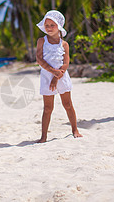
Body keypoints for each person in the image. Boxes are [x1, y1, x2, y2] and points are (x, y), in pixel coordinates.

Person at [36, 10, 82, 143]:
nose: (49, 28)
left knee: (67, 104)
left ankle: (75, 129)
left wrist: (57, 77)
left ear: (59, 26)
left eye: (52, 25)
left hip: (61, 77)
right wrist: (52, 72)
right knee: (48, 108)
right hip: (46, 77)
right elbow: (39, 59)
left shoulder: (64, 44)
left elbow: (66, 63)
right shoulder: (41, 41)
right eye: (47, 25)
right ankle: (43, 136)